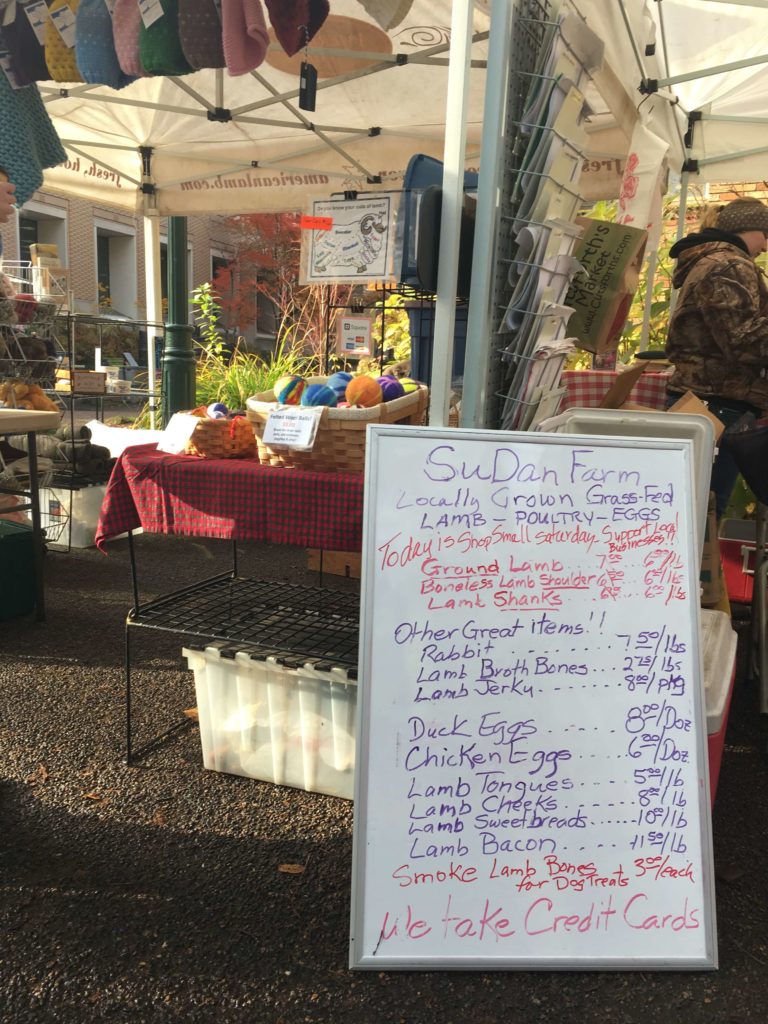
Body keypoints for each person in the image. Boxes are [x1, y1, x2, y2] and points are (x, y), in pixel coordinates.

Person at [665, 196, 768, 518]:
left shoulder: (716, 261)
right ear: (750, 229)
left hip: (712, 399)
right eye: (766, 235)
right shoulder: (729, 264)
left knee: (696, 508)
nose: (766, 246)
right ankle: (696, 570)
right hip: (718, 402)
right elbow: (741, 340)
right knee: (702, 513)